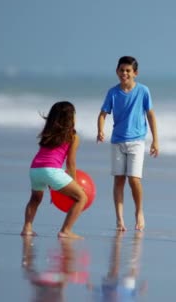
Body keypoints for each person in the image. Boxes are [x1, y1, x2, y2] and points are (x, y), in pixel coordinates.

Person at [97, 56, 159, 231]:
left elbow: (151, 115)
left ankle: (139, 212)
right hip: (117, 141)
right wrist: (101, 130)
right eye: (121, 70)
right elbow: (102, 114)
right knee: (119, 180)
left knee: (134, 179)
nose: (124, 73)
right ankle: (119, 219)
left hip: (137, 141)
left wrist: (155, 140)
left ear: (135, 73)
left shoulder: (143, 91)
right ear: (117, 71)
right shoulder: (113, 92)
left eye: (128, 71)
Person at [21, 101, 88, 239]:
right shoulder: (73, 137)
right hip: (51, 171)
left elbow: (46, 161)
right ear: (71, 118)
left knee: (35, 199)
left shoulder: (47, 132)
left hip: (35, 169)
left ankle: (27, 228)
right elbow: (71, 163)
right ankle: (66, 231)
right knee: (82, 197)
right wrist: (75, 184)